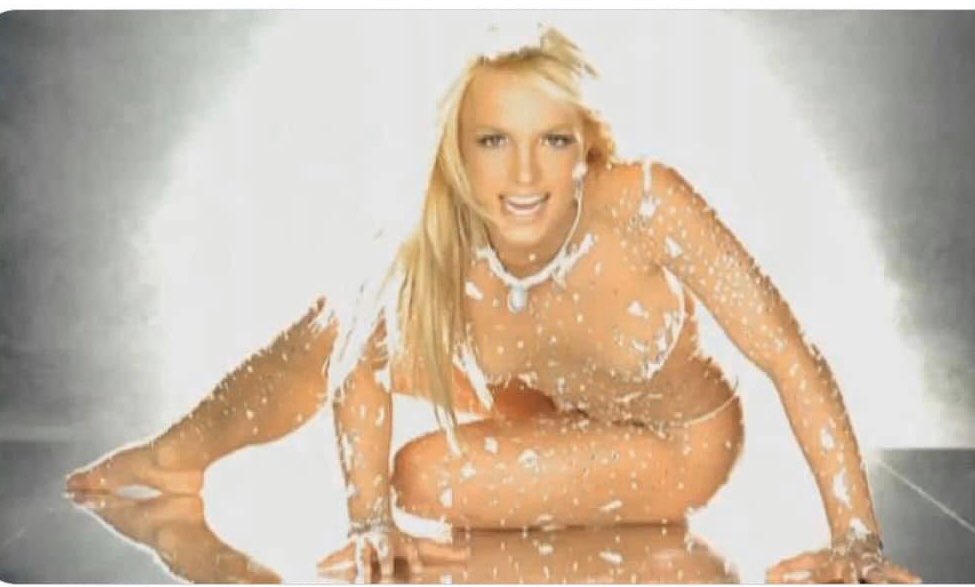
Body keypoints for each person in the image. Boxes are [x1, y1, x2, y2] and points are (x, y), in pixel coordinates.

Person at [66, 27, 921, 584]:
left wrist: (856, 536)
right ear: (459, 156)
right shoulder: (433, 234)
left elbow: (787, 355)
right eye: (494, 141)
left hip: (673, 443)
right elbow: (354, 358)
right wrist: (368, 522)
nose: (523, 175)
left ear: (584, 149)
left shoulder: (648, 203)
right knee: (342, 315)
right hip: (538, 406)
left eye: (552, 140)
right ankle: (176, 454)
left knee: (423, 476)